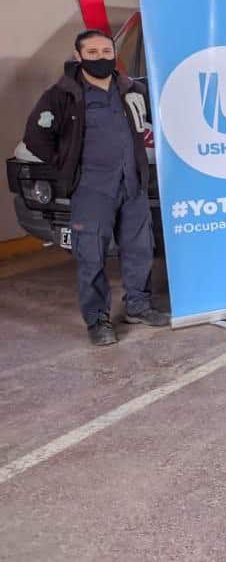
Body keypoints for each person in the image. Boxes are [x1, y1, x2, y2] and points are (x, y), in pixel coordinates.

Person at [22, 29, 167, 346]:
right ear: (78, 56)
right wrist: (64, 164)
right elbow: (35, 135)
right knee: (91, 256)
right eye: (93, 53)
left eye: (106, 51)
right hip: (91, 188)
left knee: (139, 249)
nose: (101, 58)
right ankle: (98, 319)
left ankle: (138, 307)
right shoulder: (62, 95)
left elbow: (162, 122)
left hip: (133, 185)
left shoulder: (132, 90)